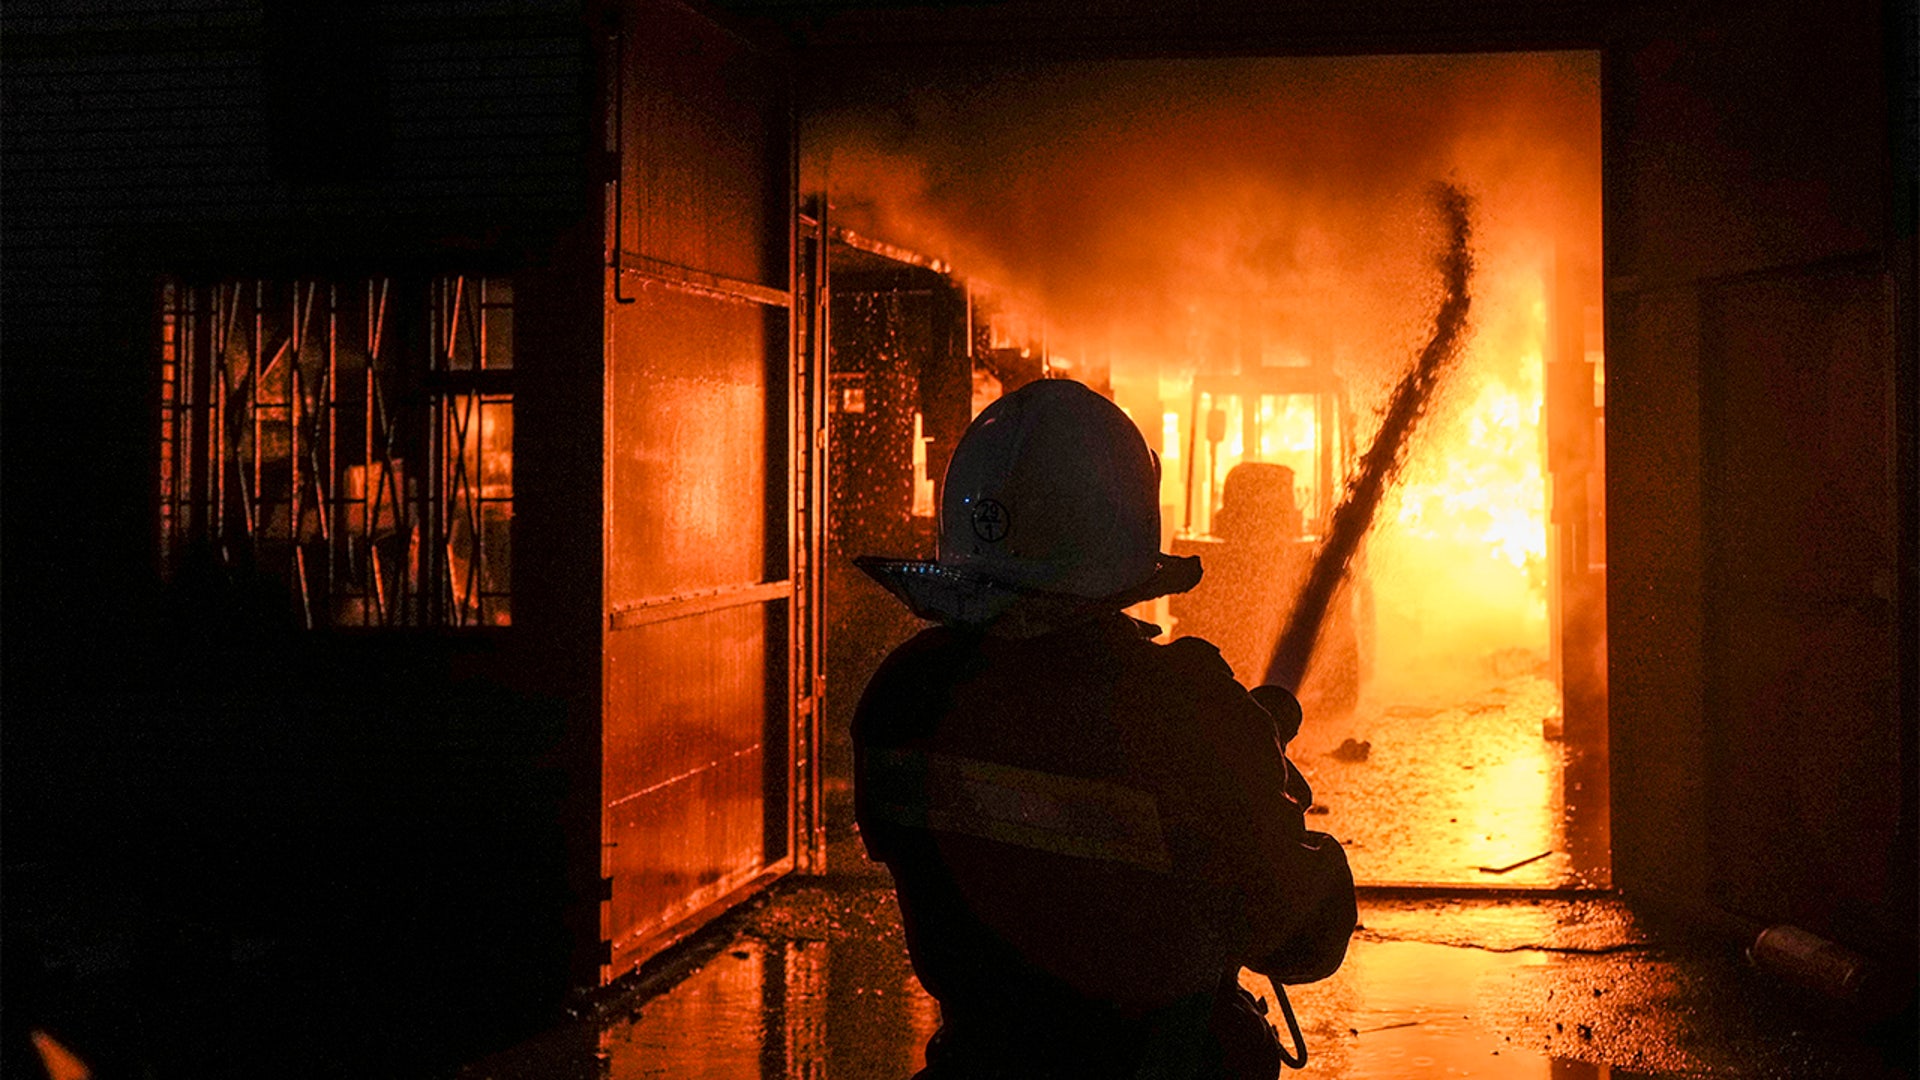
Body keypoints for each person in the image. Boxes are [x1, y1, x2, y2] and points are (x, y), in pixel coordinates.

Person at [855, 380, 1355, 1079]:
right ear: (1126, 537)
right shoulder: (1181, 708)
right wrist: (1255, 775)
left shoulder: (902, 694)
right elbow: (1307, 934)